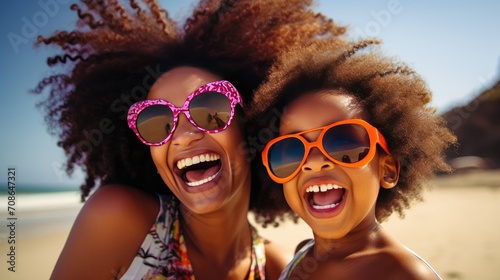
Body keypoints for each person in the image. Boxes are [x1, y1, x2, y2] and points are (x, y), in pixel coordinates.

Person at [32, 0, 347, 279]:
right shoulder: (116, 219)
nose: (182, 135)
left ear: (251, 122)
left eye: (209, 107)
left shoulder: (278, 268)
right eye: (156, 122)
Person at [247, 39, 457, 279]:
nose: (314, 161)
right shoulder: (302, 256)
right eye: (291, 150)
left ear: (387, 170)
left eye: (342, 142)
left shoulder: (404, 274)